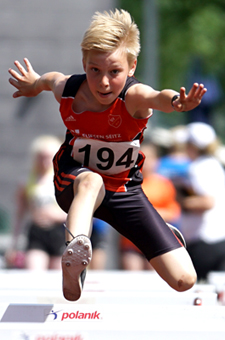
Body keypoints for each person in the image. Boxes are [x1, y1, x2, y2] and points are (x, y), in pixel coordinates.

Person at [8, 9, 207, 301]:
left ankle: (166, 234)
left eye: (114, 72)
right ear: (84, 64)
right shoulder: (70, 90)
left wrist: (177, 102)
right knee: (92, 182)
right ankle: (74, 255)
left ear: (131, 67)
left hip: (125, 190)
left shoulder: (134, 96)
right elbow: (49, 80)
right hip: (73, 182)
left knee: (184, 279)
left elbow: (158, 97)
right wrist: (33, 82)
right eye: (94, 71)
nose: (103, 83)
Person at [5, 135, 67, 270]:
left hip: (59, 231)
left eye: (48, 157)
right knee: (34, 271)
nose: (44, 161)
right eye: (41, 157)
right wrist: (14, 244)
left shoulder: (64, 179)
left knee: (60, 276)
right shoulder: (27, 180)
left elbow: (77, 212)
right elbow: (19, 214)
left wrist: (56, 215)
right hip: (37, 232)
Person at [120, 142, 181, 270]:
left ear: (157, 160)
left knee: (155, 278)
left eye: (150, 158)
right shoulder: (125, 183)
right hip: (131, 243)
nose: (146, 162)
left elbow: (173, 212)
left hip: (156, 242)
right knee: (131, 278)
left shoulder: (163, 184)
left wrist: (147, 213)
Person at [179, 123, 225, 280]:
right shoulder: (214, 164)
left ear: (193, 146)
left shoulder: (198, 167)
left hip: (204, 241)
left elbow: (207, 202)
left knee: (199, 291)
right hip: (217, 239)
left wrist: (182, 201)